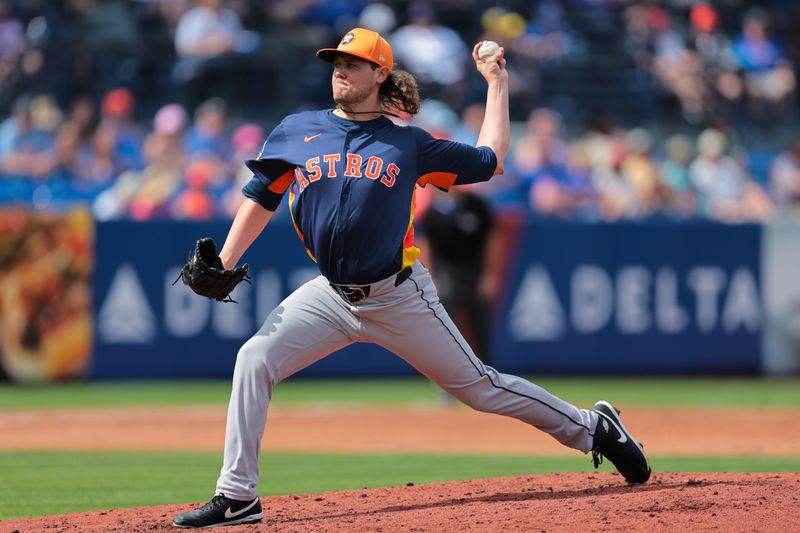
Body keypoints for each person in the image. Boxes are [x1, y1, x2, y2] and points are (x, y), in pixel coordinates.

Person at [172, 27, 651, 529]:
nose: (340, 69)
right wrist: (225, 259)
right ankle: (237, 496)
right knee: (253, 359)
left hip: (398, 295)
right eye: (336, 61)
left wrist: (496, 84)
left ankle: (594, 428)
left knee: (481, 389)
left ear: (380, 73)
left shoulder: (409, 143)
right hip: (329, 296)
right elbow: (261, 195)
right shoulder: (298, 130)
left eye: (353, 63)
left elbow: (491, 161)